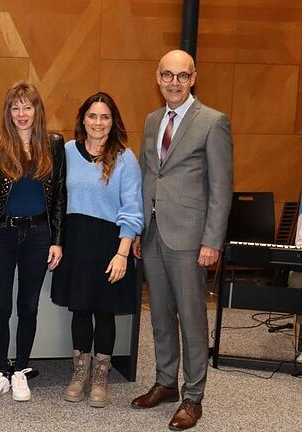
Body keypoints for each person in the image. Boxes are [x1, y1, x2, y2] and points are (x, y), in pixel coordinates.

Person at [130, 50, 233, 431]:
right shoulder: (153, 120)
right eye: (167, 75)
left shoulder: (213, 121)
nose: (174, 82)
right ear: (157, 78)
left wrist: (213, 241)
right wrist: (139, 229)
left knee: (191, 319)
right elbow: (146, 176)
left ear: (193, 79)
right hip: (154, 234)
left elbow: (222, 188)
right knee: (158, 316)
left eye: (182, 76)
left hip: (191, 238)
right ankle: (165, 382)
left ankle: (193, 398)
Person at [0, 81, 65, 402]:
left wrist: (57, 240)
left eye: (27, 107)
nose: (22, 114)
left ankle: (21, 370)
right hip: (1, 235)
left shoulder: (53, 144)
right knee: (0, 306)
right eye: (15, 107)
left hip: (39, 236)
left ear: (37, 110)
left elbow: (59, 198)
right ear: (8, 112)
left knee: (29, 306)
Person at [51, 92, 143, 407]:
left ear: (112, 121)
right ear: (83, 119)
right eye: (93, 116)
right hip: (76, 241)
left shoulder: (126, 158)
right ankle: (80, 374)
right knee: (80, 309)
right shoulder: (66, 152)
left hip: (110, 244)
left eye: (105, 117)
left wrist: (122, 252)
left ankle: (100, 379)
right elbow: (57, 197)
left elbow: (133, 209)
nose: (98, 123)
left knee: (104, 311)